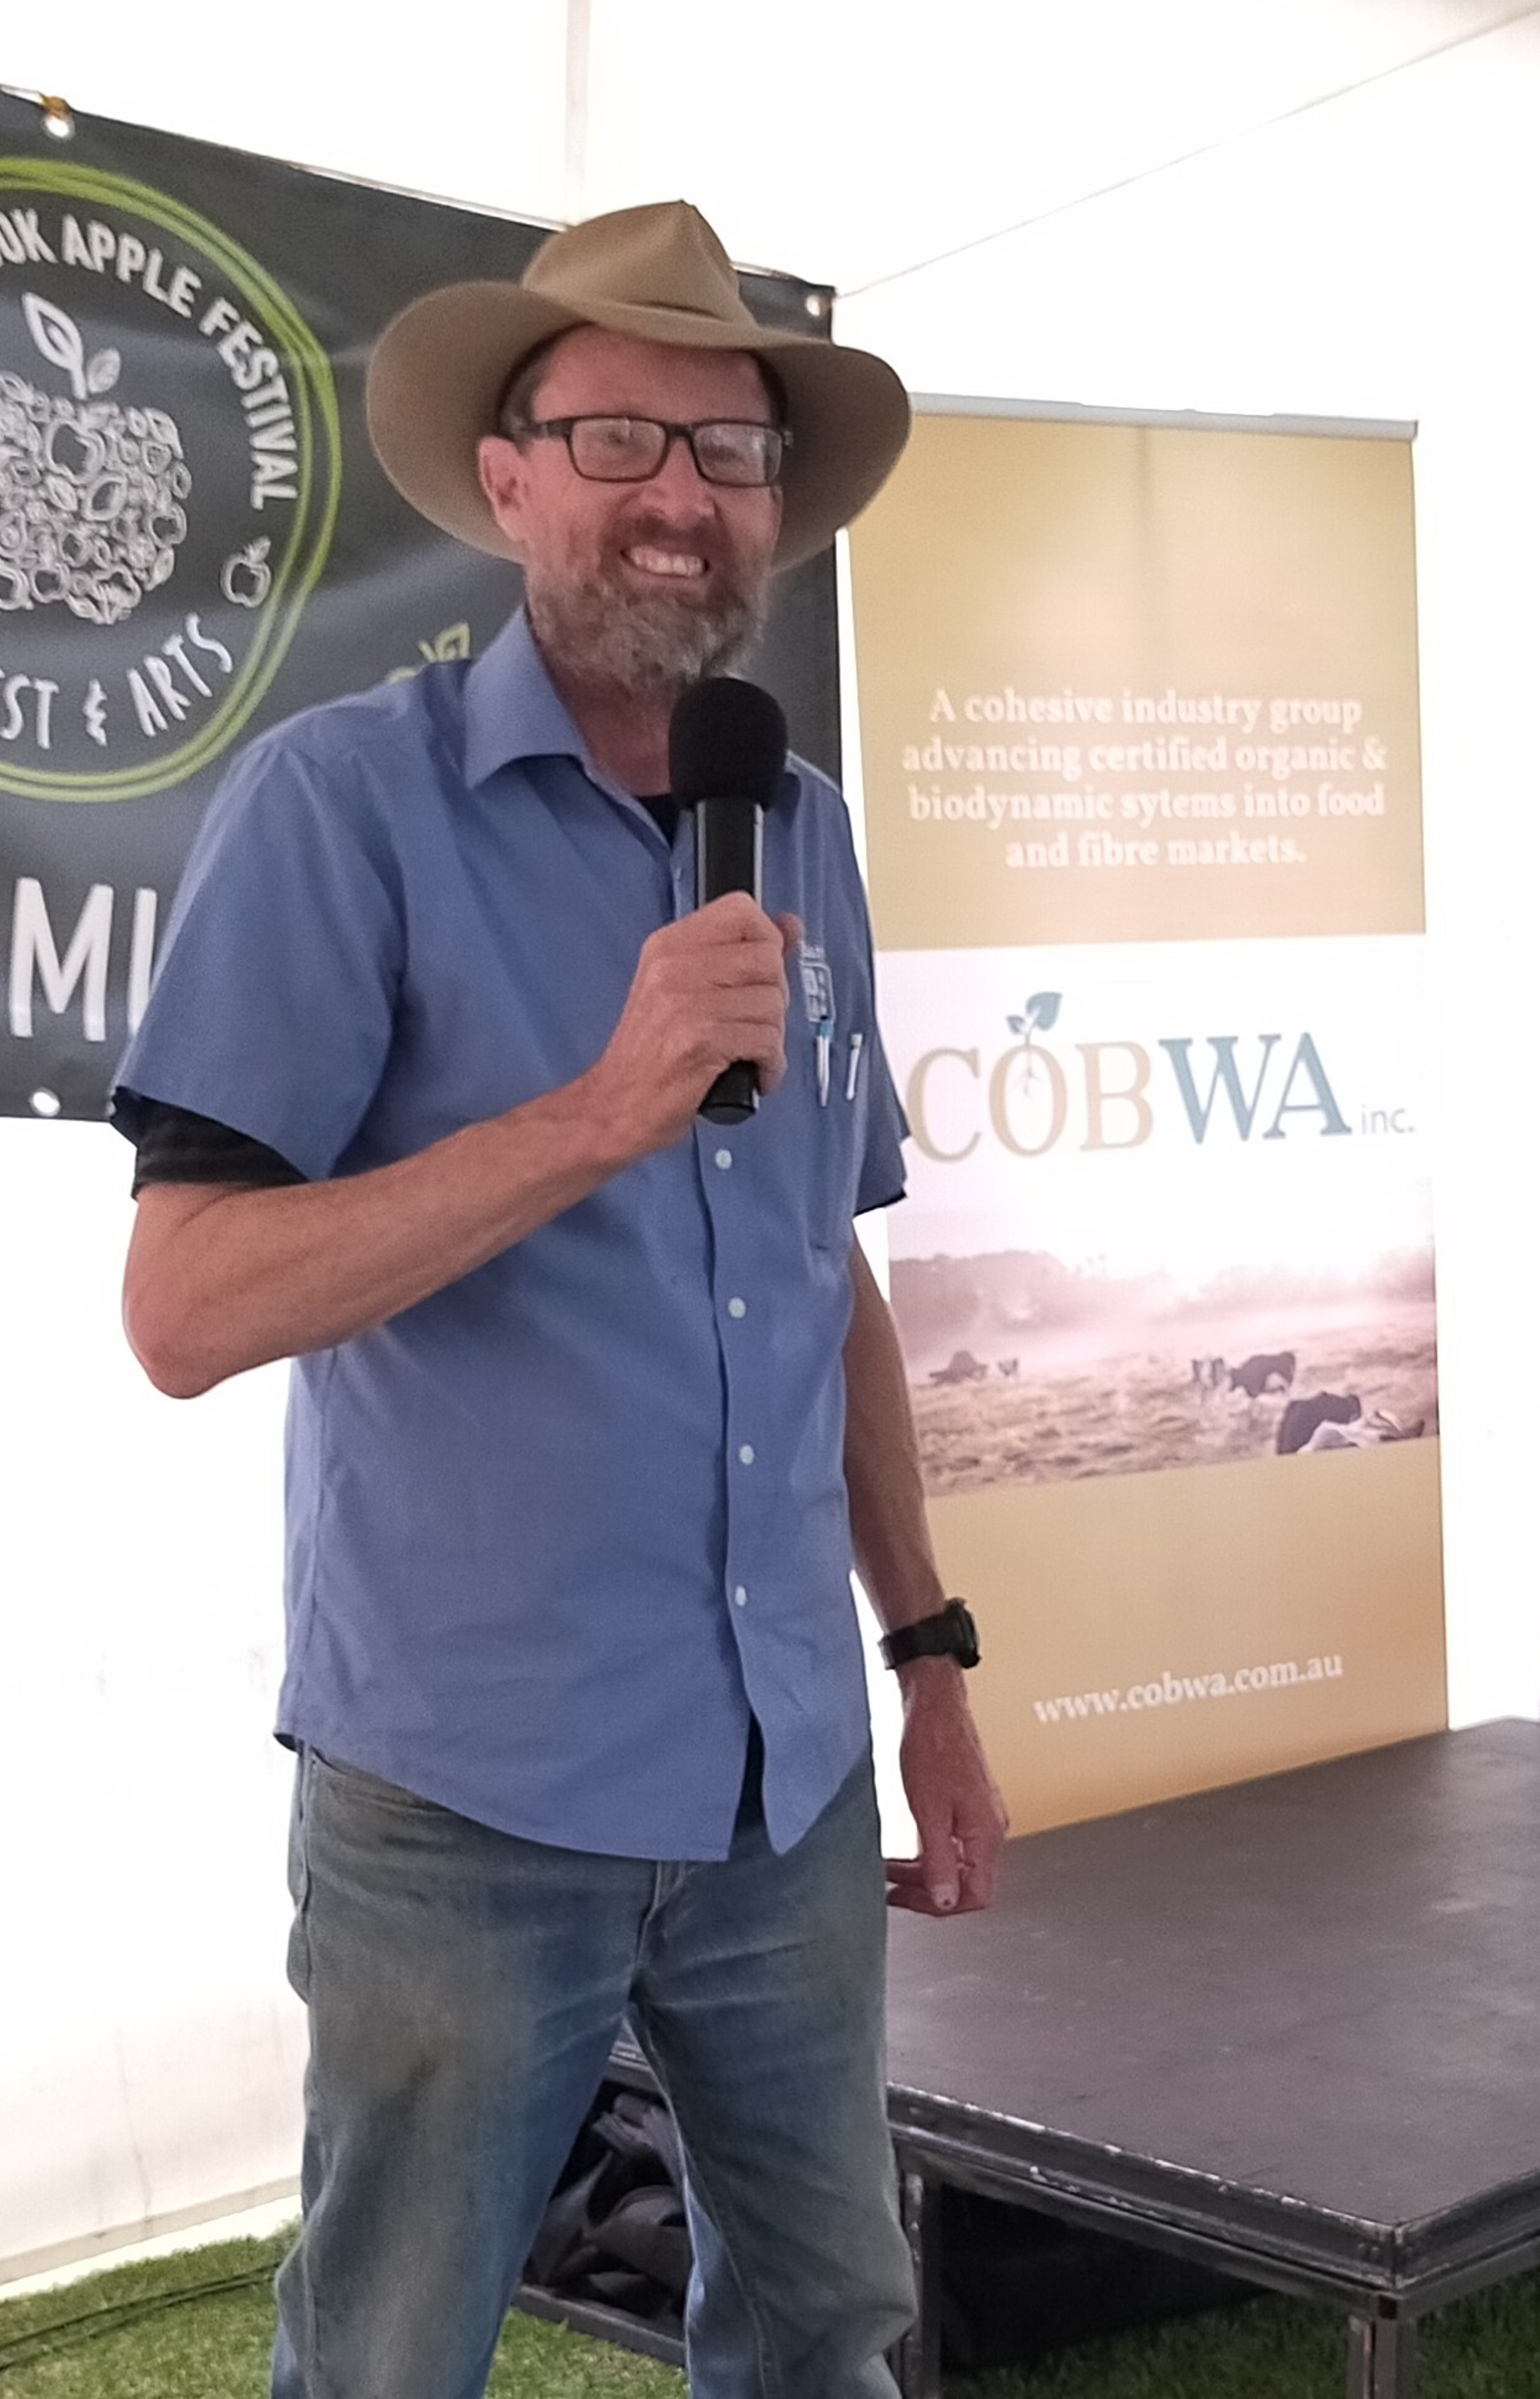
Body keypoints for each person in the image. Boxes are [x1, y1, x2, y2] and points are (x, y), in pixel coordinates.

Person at [109, 201, 1006, 2399]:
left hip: (783, 1780)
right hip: (469, 1797)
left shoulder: (797, 828)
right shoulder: (341, 809)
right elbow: (185, 1306)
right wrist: (602, 1113)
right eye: (619, 438)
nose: (680, 496)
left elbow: (820, 1266)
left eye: (731, 450)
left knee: (829, 2322)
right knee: (392, 2359)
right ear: (507, 480)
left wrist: (930, 1659)